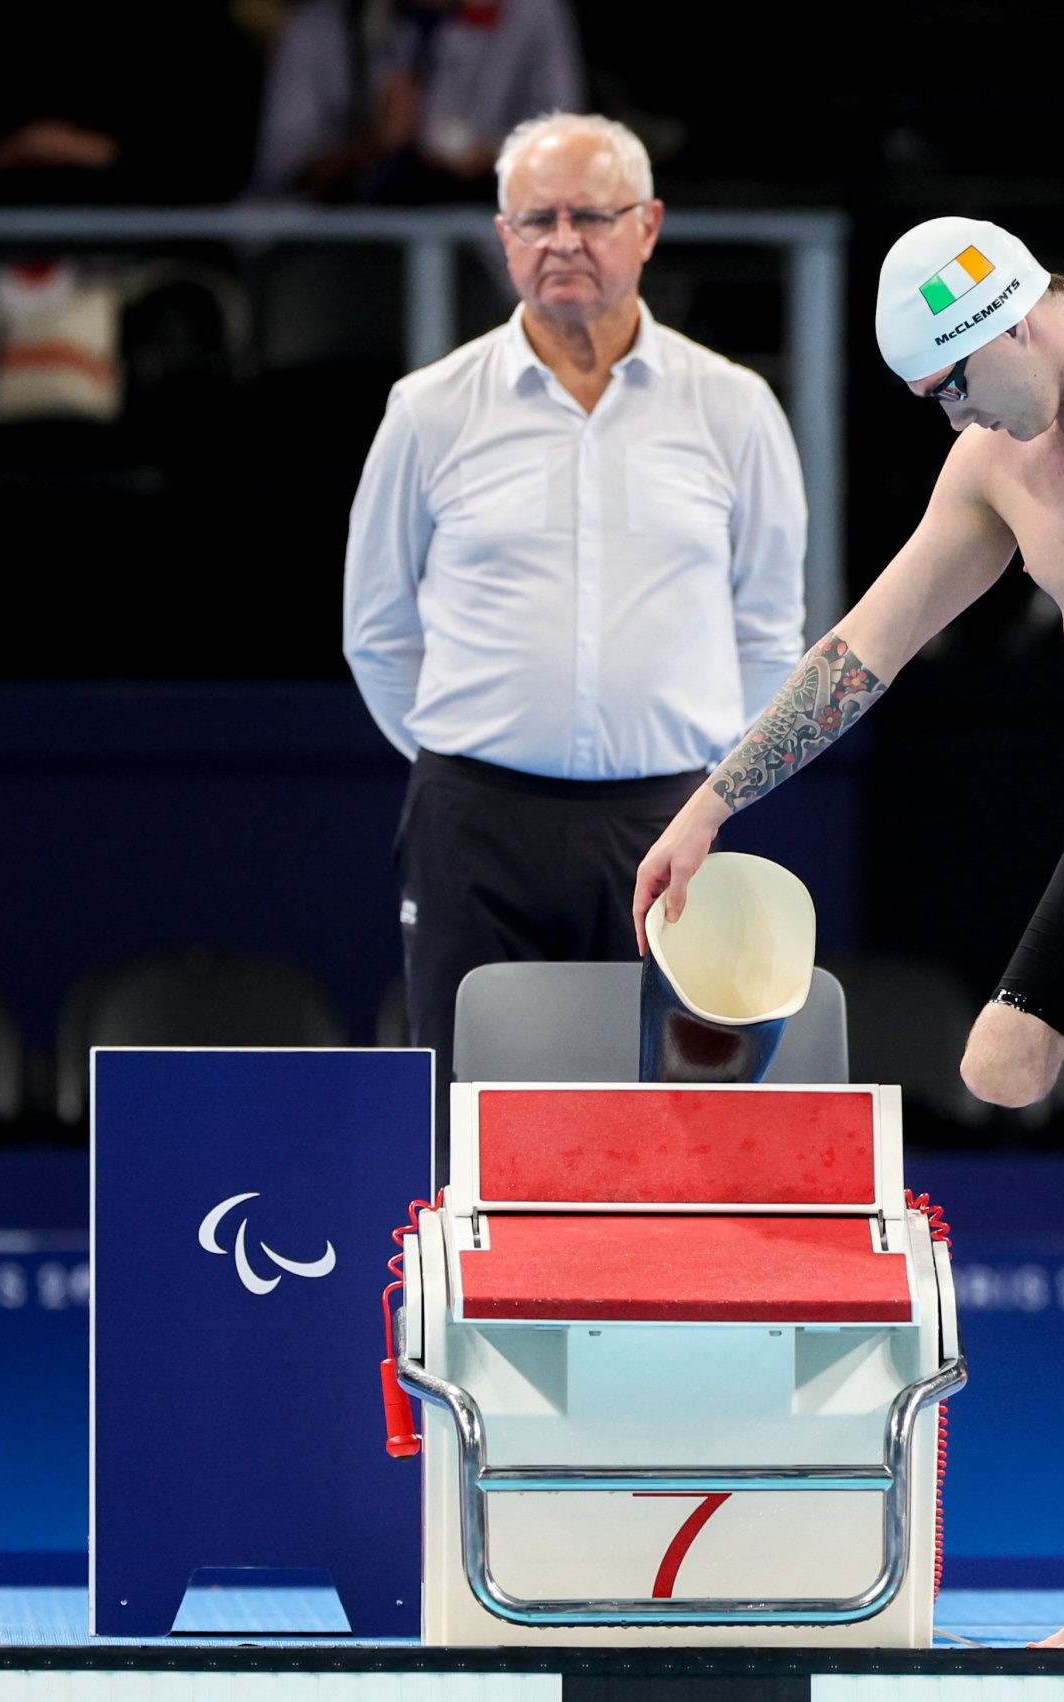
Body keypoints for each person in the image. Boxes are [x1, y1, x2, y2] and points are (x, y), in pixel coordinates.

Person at [632, 216, 1064, 1649]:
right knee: (1000, 1068)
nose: (951, 416)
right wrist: (710, 804)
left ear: (1016, 320)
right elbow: (860, 653)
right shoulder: (997, 456)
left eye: (953, 384)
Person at [342, 112, 807, 1154]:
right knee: (469, 1119)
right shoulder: (428, 410)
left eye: (589, 216)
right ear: (503, 238)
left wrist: (712, 792)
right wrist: (463, 756)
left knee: (665, 1124)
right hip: (474, 819)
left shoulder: (734, 409)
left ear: (646, 227)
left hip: (664, 822)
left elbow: (771, 630)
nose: (562, 240)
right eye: (536, 218)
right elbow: (376, 632)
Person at [252, 0, 582, 202]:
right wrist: (369, 146)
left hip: (487, 248)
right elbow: (280, 171)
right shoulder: (318, 26)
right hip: (340, 248)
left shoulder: (533, 15)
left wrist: (491, 157)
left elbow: (566, 155)